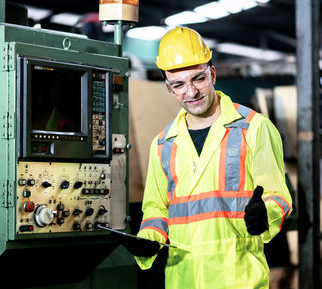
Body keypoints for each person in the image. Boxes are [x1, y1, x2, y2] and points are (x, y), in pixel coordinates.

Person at [113, 26, 292, 289]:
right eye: (179, 85)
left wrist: (266, 213)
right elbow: (157, 209)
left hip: (238, 280)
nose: (191, 92)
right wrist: (148, 239)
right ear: (169, 88)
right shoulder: (163, 144)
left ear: (213, 74)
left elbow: (279, 195)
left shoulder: (254, 128)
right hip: (183, 279)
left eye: (198, 79)